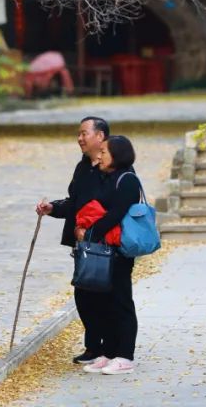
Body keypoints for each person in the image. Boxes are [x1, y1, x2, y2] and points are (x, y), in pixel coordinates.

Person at [35, 116, 110, 364]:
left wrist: (93, 228)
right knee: (83, 294)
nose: (79, 138)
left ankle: (111, 348)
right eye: (78, 134)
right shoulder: (82, 168)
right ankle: (93, 346)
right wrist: (52, 208)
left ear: (100, 136)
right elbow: (74, 202)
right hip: (82, 244)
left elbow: (114, 207)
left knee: (105, 296)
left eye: (84, 133)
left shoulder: (113, 166)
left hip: (106, 242)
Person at [75, 135, 141, 375]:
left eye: (104, 152)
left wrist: (88, 234)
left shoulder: (127, 180)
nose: (99, 155)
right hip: (102, 249)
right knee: (104, 302)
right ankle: (110, 351)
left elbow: (114, 215)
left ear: (118, 155)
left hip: (118, 251)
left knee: (121, 301)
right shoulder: (104, 176)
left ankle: (126, 355)